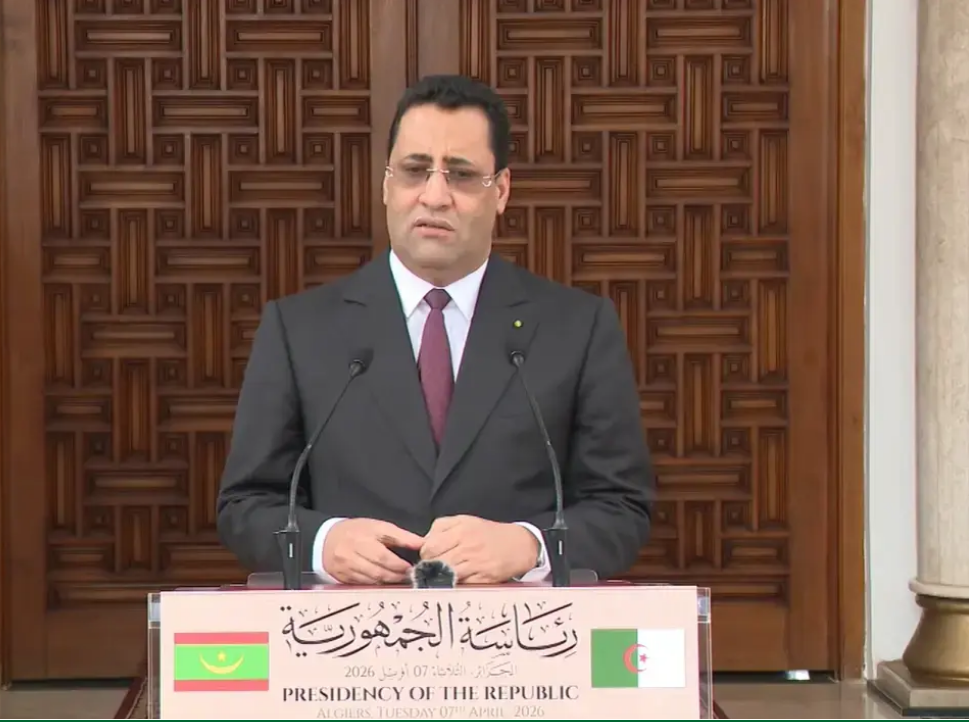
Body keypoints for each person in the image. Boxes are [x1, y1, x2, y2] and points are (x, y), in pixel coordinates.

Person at [216, 74, 654, 585]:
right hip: (353, 627)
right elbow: (245, 506)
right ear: (387, 184)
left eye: (461, 175)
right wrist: (322, 542)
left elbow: (622, 509)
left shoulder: (577, 328)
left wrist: (530, 545)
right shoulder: (299, 330)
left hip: (517, 625)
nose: (435, 196)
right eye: (414, 171)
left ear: (501, 191)